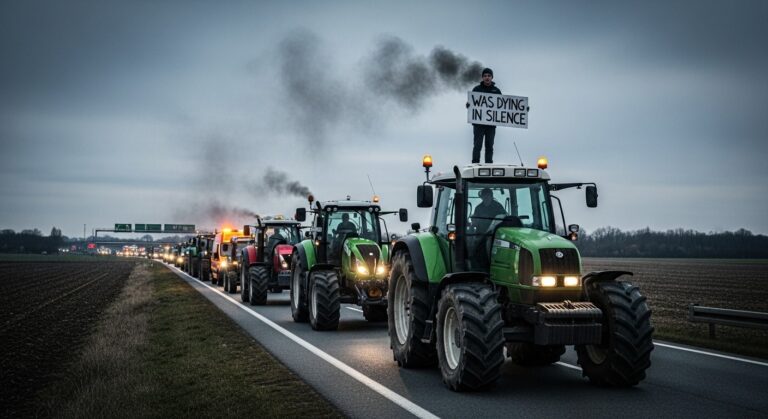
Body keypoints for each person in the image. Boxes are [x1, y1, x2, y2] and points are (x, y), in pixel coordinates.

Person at [470, 68, 501, 164]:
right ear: (482, 77)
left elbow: (504, 106)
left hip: (491, 125)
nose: (487, 77)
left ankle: (489, 164)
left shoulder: (496, 91)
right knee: (477, 145)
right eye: (485, 76)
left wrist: (522, 108)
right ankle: (475, 164)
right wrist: (469, 104)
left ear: (492, 77)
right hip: (478, 124)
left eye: (489, 76)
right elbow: (472, 103)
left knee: (489, 145)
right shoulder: (476, 89)